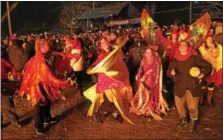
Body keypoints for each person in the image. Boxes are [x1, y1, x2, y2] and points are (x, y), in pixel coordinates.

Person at [17, 39, 70, 135]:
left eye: (48, 45)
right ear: (40, 47)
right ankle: (38, 125)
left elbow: (56, 59)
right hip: (37, 86)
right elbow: (48, 74)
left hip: (45, 83)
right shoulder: (38, 58)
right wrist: (61, 83)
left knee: (47, 101)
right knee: (40, 105)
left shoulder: (48, 54)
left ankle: (47, 118)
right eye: (45, 46)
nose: (48, 47)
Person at [83, 37, 133, 124]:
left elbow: (121, 58)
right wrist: (92, 68)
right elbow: (96, 65)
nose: (105, 44)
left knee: (118, 96)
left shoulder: (113, 53)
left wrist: (116, 47)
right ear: (100, 46)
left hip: (114, 78)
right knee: (109, 97)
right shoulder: (101, 55)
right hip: (105, 79)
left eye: (106, 42)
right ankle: (103, 112)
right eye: (102, 43)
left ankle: (111, 113)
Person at [167, 40, 212, 132]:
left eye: (185, 45)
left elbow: (208, 66)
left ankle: (193, 120)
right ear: (179, 48)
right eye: (181, 45)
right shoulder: (175, 60)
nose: (183, 47)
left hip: (192, 85)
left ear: (188, 47)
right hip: (179, 85)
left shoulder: (194, 58)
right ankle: (183, 119)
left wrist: (202, 74)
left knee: (192, 107)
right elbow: (168, 72)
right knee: (179, 105)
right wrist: (171, 73)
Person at [130, 47, 168, 120]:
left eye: (150, 52)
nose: (148, 54)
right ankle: (146, 109)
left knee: (152, 94)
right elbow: (140, 69)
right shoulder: (143, 60)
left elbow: (154, 71)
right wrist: (138, 75)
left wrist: (145, 75)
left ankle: (150, 110)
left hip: (153, 81)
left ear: (153, 53)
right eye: (147, 52)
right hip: (145, 81)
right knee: (145, 94)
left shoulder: (156, 61)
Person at [198, 35, 222, 106]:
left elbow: (218, 56)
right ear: (205, 39)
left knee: (211, 84)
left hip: (213, 68)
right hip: (204, 68)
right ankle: (201, 99)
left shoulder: (217, 47)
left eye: (211, 38)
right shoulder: (201, 48)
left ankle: (209, 100)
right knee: (203, 83)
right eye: (208, 38)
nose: (209, 40)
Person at [1, 53, 21, 128]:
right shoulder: (2, 60)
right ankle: (14, 120)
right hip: (4, 83)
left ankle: (14, 120)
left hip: (4, 83)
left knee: (8, 102)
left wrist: (13, 74)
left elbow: (11, 67)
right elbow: (11, 67)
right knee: (8, 102)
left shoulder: (2, 60)